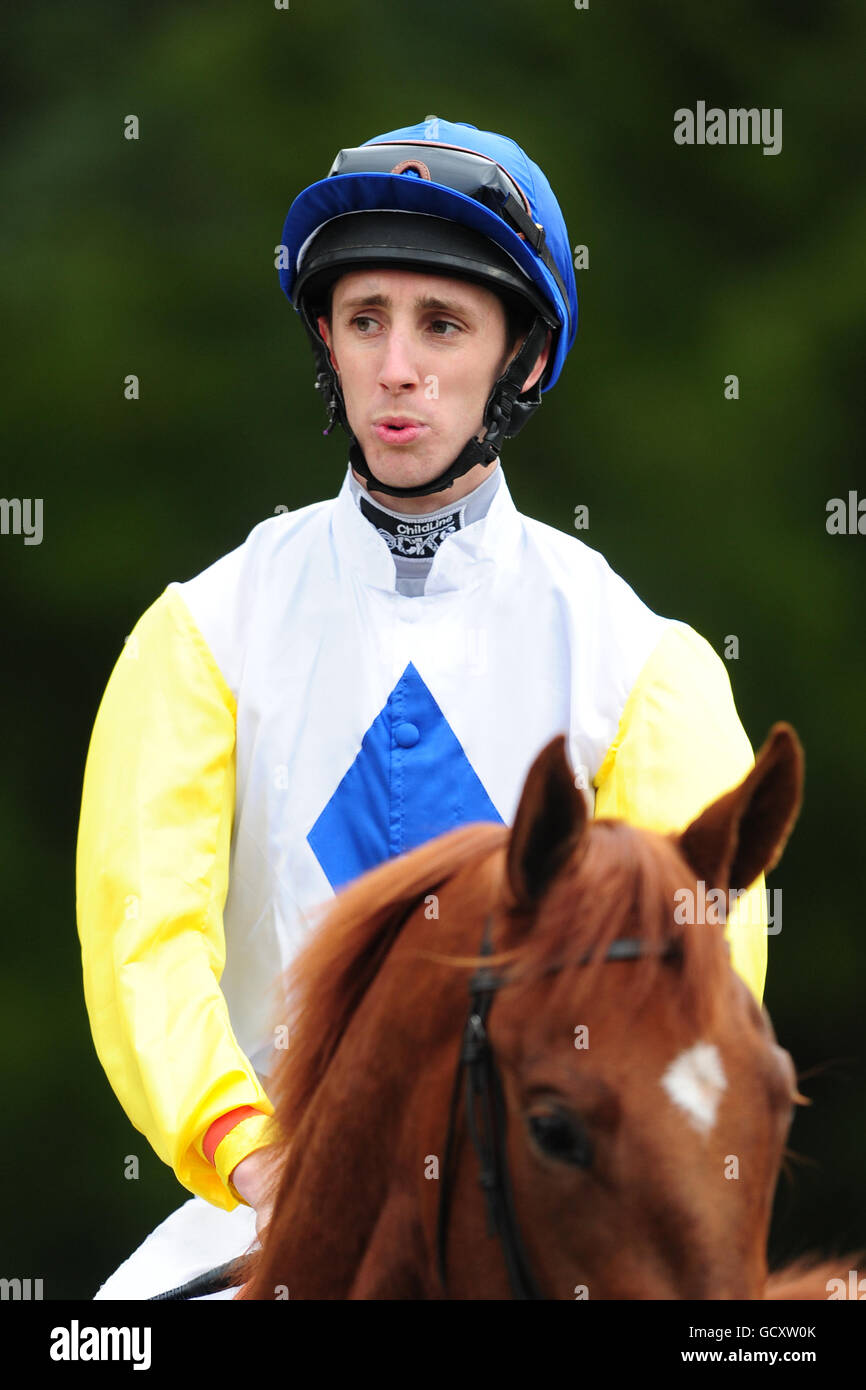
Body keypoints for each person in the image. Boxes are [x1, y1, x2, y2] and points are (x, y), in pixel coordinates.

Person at [75, 116, 768, 1300]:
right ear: (330, 347)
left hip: (543, 1237)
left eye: (441, 324)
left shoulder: (643, 670)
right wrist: (253, 1154)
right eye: (364, 320)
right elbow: (147, 941)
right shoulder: (199, 634)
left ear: (524, 359)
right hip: (260, 1215)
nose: (397, 366)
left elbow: (685, 1002)